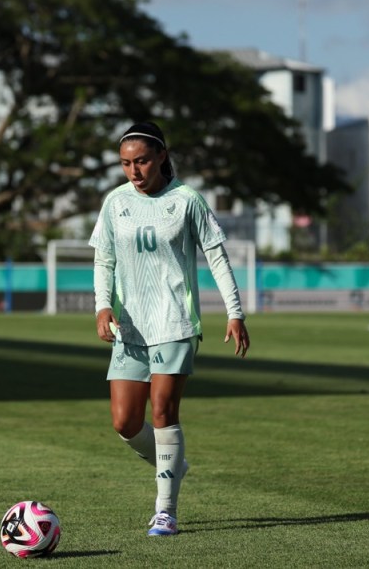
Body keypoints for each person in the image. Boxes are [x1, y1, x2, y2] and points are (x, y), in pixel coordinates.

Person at [89, 121, 250, 537]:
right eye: (126, 164)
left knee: (162, 413)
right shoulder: (115, 202)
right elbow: (103, 260)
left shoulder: (186, 200)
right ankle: (172, 462)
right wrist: (103, 306)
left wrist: (235, 313)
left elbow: (217, 257)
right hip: (131, 328)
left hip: (175, 321)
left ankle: (166, 511)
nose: (134, 171)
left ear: (161, 155)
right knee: (125, 422)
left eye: (141, 161)